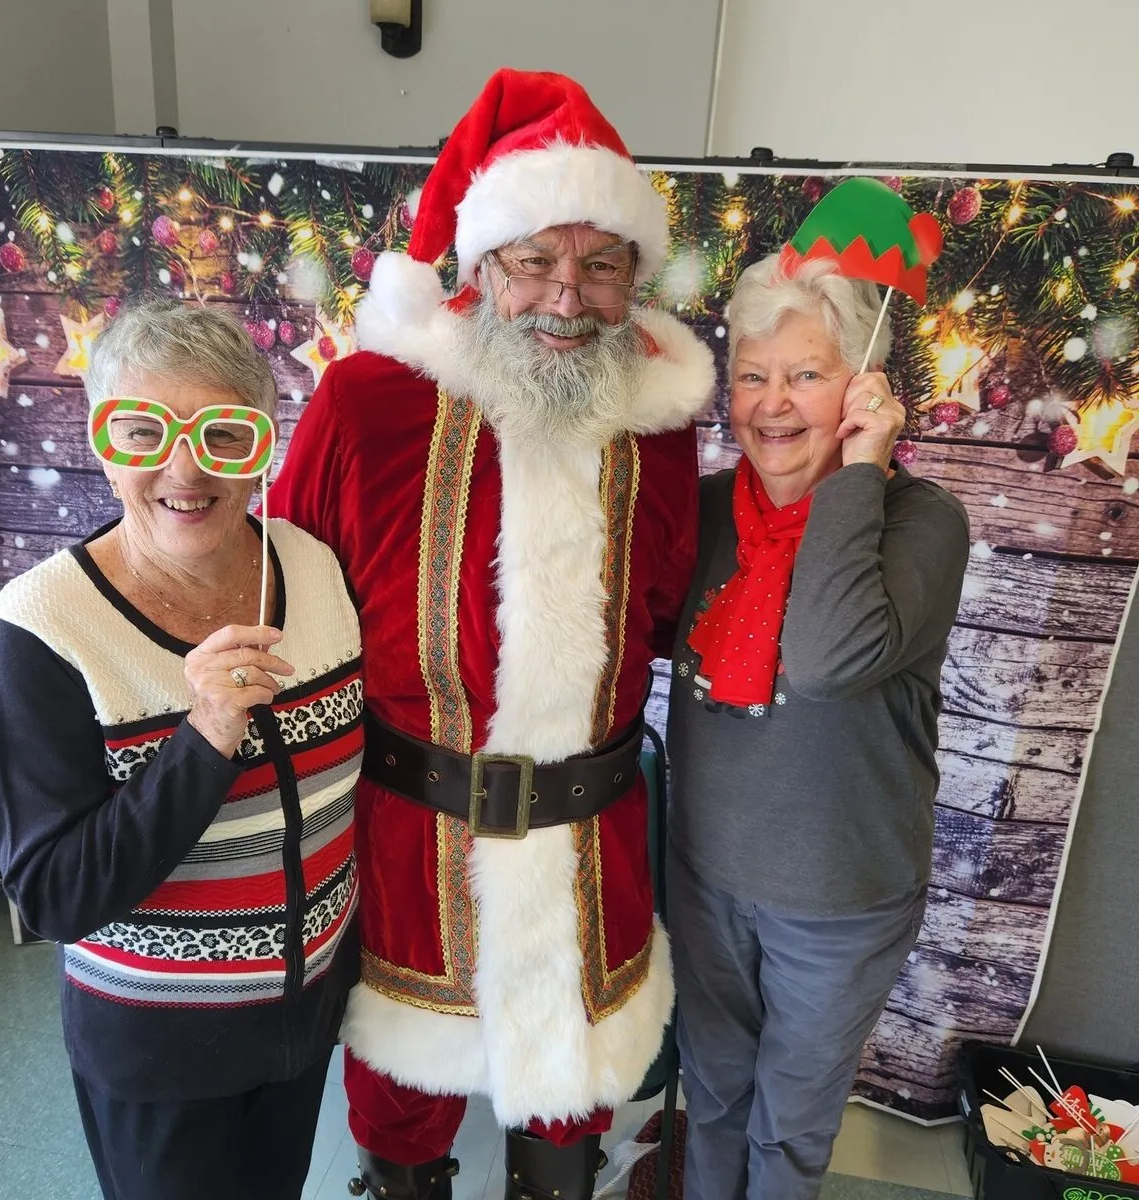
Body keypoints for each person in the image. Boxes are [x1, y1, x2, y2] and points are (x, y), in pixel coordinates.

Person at [266, 69, 716, 1200]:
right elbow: (289, 604)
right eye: (536, 259)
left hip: (589, 847)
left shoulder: (658, 435)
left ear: (633, 279)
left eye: (603, 264)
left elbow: (665, 616)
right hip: (411, 837)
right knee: (403, 1114)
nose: (568, 296)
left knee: (570, 1109)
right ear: (478, 268)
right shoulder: (366, 404)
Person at [0, 300, 363, 1200]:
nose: (184, 469)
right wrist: (203, 742)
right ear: (102, 440)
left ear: (263, 444)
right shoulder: (44, 626)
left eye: (223, 434)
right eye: (145, 429)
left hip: (303, 1022)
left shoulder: (312, 566)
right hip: (157, 1052)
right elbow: (52, 893)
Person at [665, 253, 971, 1200]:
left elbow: (834, 659)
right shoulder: (709, 508)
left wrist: (861, 466)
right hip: (706, 876)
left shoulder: (922, 522)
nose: (773, 405)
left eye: (807, 375)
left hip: (837, 900)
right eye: (753, 376)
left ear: (863, 386)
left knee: (788, 1131)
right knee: (709, 1100)